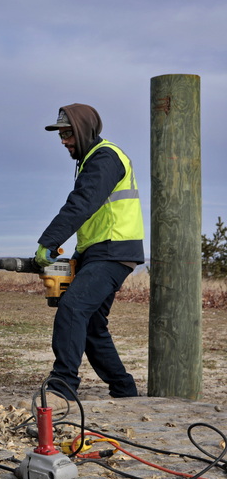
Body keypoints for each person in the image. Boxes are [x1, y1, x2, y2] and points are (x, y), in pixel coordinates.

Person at [36, 103, 144, 401]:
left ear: (84, 130)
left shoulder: (105, 158)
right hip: (100, 252)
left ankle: (62, 385)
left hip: (114, 250)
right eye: (61, 134)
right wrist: (77, 258)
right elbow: (93, 215)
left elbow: (82, 204)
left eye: (68, 133)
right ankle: (124, 390)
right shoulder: (91, 160)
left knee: (73, 309)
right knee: (93, 326)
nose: (63, 140)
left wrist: (48, 241)